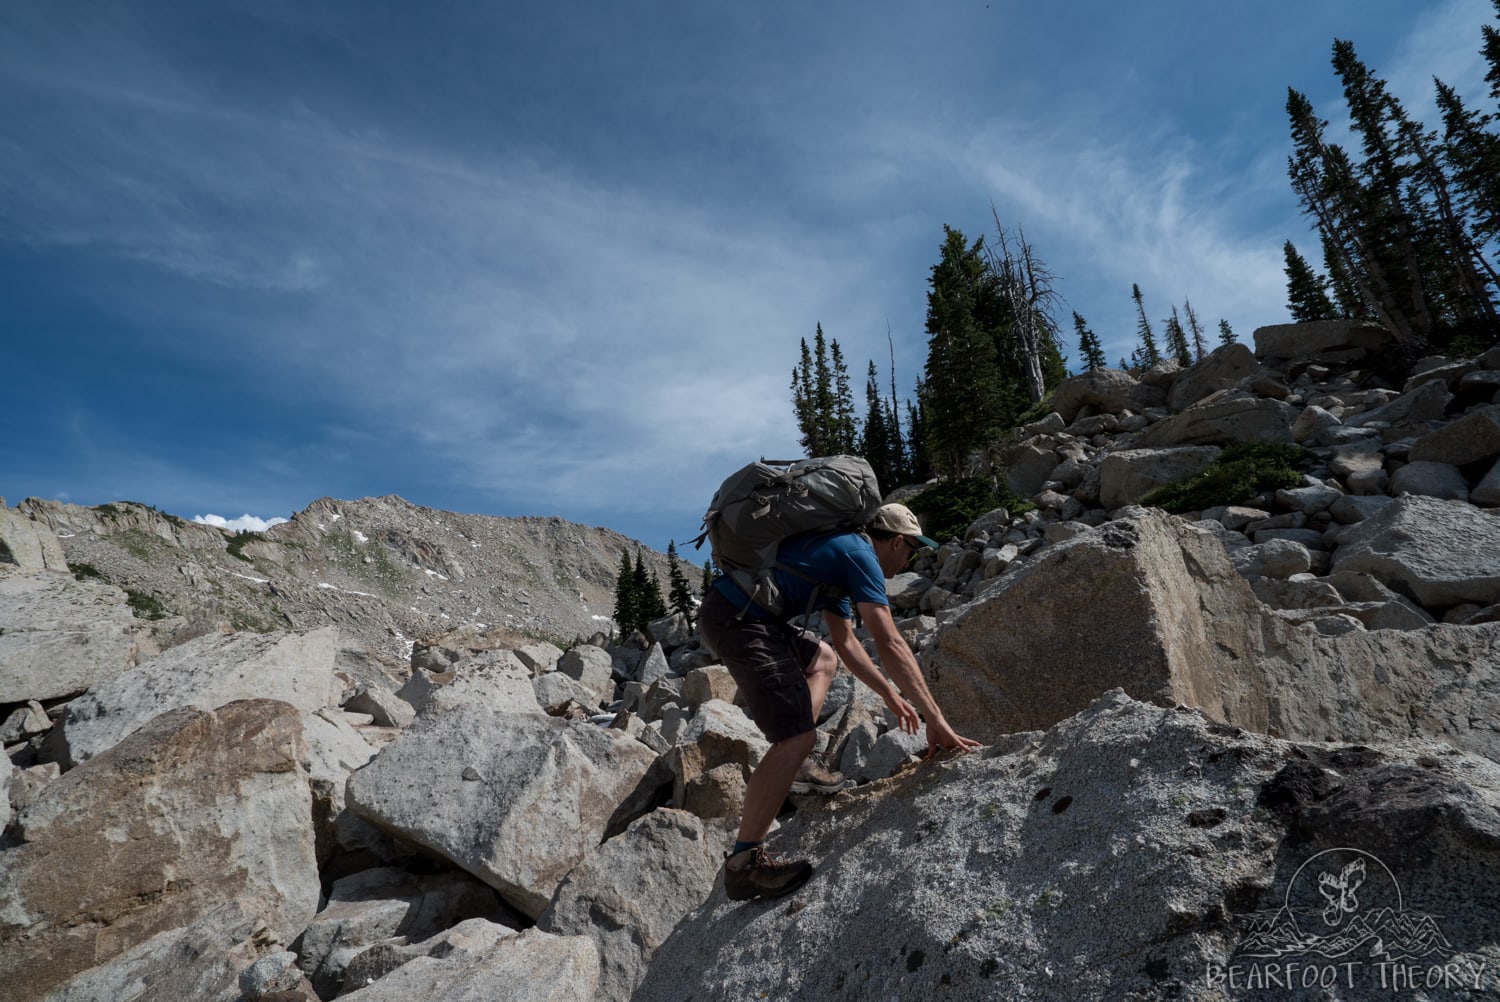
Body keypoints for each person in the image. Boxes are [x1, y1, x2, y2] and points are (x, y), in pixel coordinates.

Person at [697, 502, 982, 902]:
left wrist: (890, 694)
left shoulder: (841, 555)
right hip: (742, 621)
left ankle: (800, 765)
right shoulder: (859, 555)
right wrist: (935, 718)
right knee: (793, 739)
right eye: (912, 550)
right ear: (896, 542)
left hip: (744, 614)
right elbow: (890, 642)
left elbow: (847, 645)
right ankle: (744, 865)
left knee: (823, 659)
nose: (910, 559)